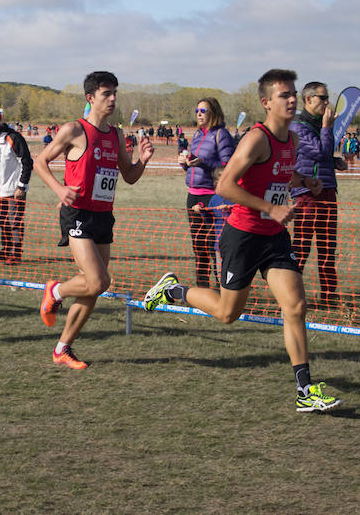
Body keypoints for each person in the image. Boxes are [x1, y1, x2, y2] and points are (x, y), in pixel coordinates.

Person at [143, 69, 341, 412]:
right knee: (227, 313)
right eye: (284, 95)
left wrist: (304, 181)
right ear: (266, 102)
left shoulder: (291, 141)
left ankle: (305, 389)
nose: (292, 99)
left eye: (294, 93)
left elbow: (279, 173)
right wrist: (269, 207)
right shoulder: (256, 138)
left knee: (295, 306)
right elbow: (225, 186)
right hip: (243, 237)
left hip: (274, 238)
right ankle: (173, 290)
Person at [33, 71, 154, 370]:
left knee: (94, 286)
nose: (113, 99)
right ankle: (56, 291)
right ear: (91, 97)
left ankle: (63, 348)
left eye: (115, 93)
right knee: (100, 280)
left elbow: (129, 177)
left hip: (103, 216)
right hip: (78, 214)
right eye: (106, 94)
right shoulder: (74, 130)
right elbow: (40, 161)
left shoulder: (115, 135)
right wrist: (60, 189)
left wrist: (143, 160)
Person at [289, 81, 347, 306]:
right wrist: (327, 127)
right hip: (306, 193)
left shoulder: (318, 125)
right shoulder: (298, 126)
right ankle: (292, 294)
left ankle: (329, 296)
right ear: (308, 100)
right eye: (322, 98)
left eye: (327, 98)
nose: (326, 102)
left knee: (327, 247)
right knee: (301, 248)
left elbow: (321, 156)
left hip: (327, 192)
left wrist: (334, 162)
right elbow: (320, 152)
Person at [180, 98, 236, 288]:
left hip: (212, 195)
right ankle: (202, 285)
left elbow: (228, 167)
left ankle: (223, 286)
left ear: (214, 112)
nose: (199, 113)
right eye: (197, 110)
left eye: (203, 110)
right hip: (193, 194)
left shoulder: (222, 135)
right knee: (198, 244)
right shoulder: (196, 134)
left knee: (214, 243)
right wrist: (185, 163)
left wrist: (202, 162)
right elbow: (194, 165)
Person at [0, 110, 33, 264]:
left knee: (15, 222)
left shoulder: (13, 138)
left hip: (15, 191)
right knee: (3, 222)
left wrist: (21, 187)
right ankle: (5, 251)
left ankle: (16, 254)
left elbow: (27, 163)